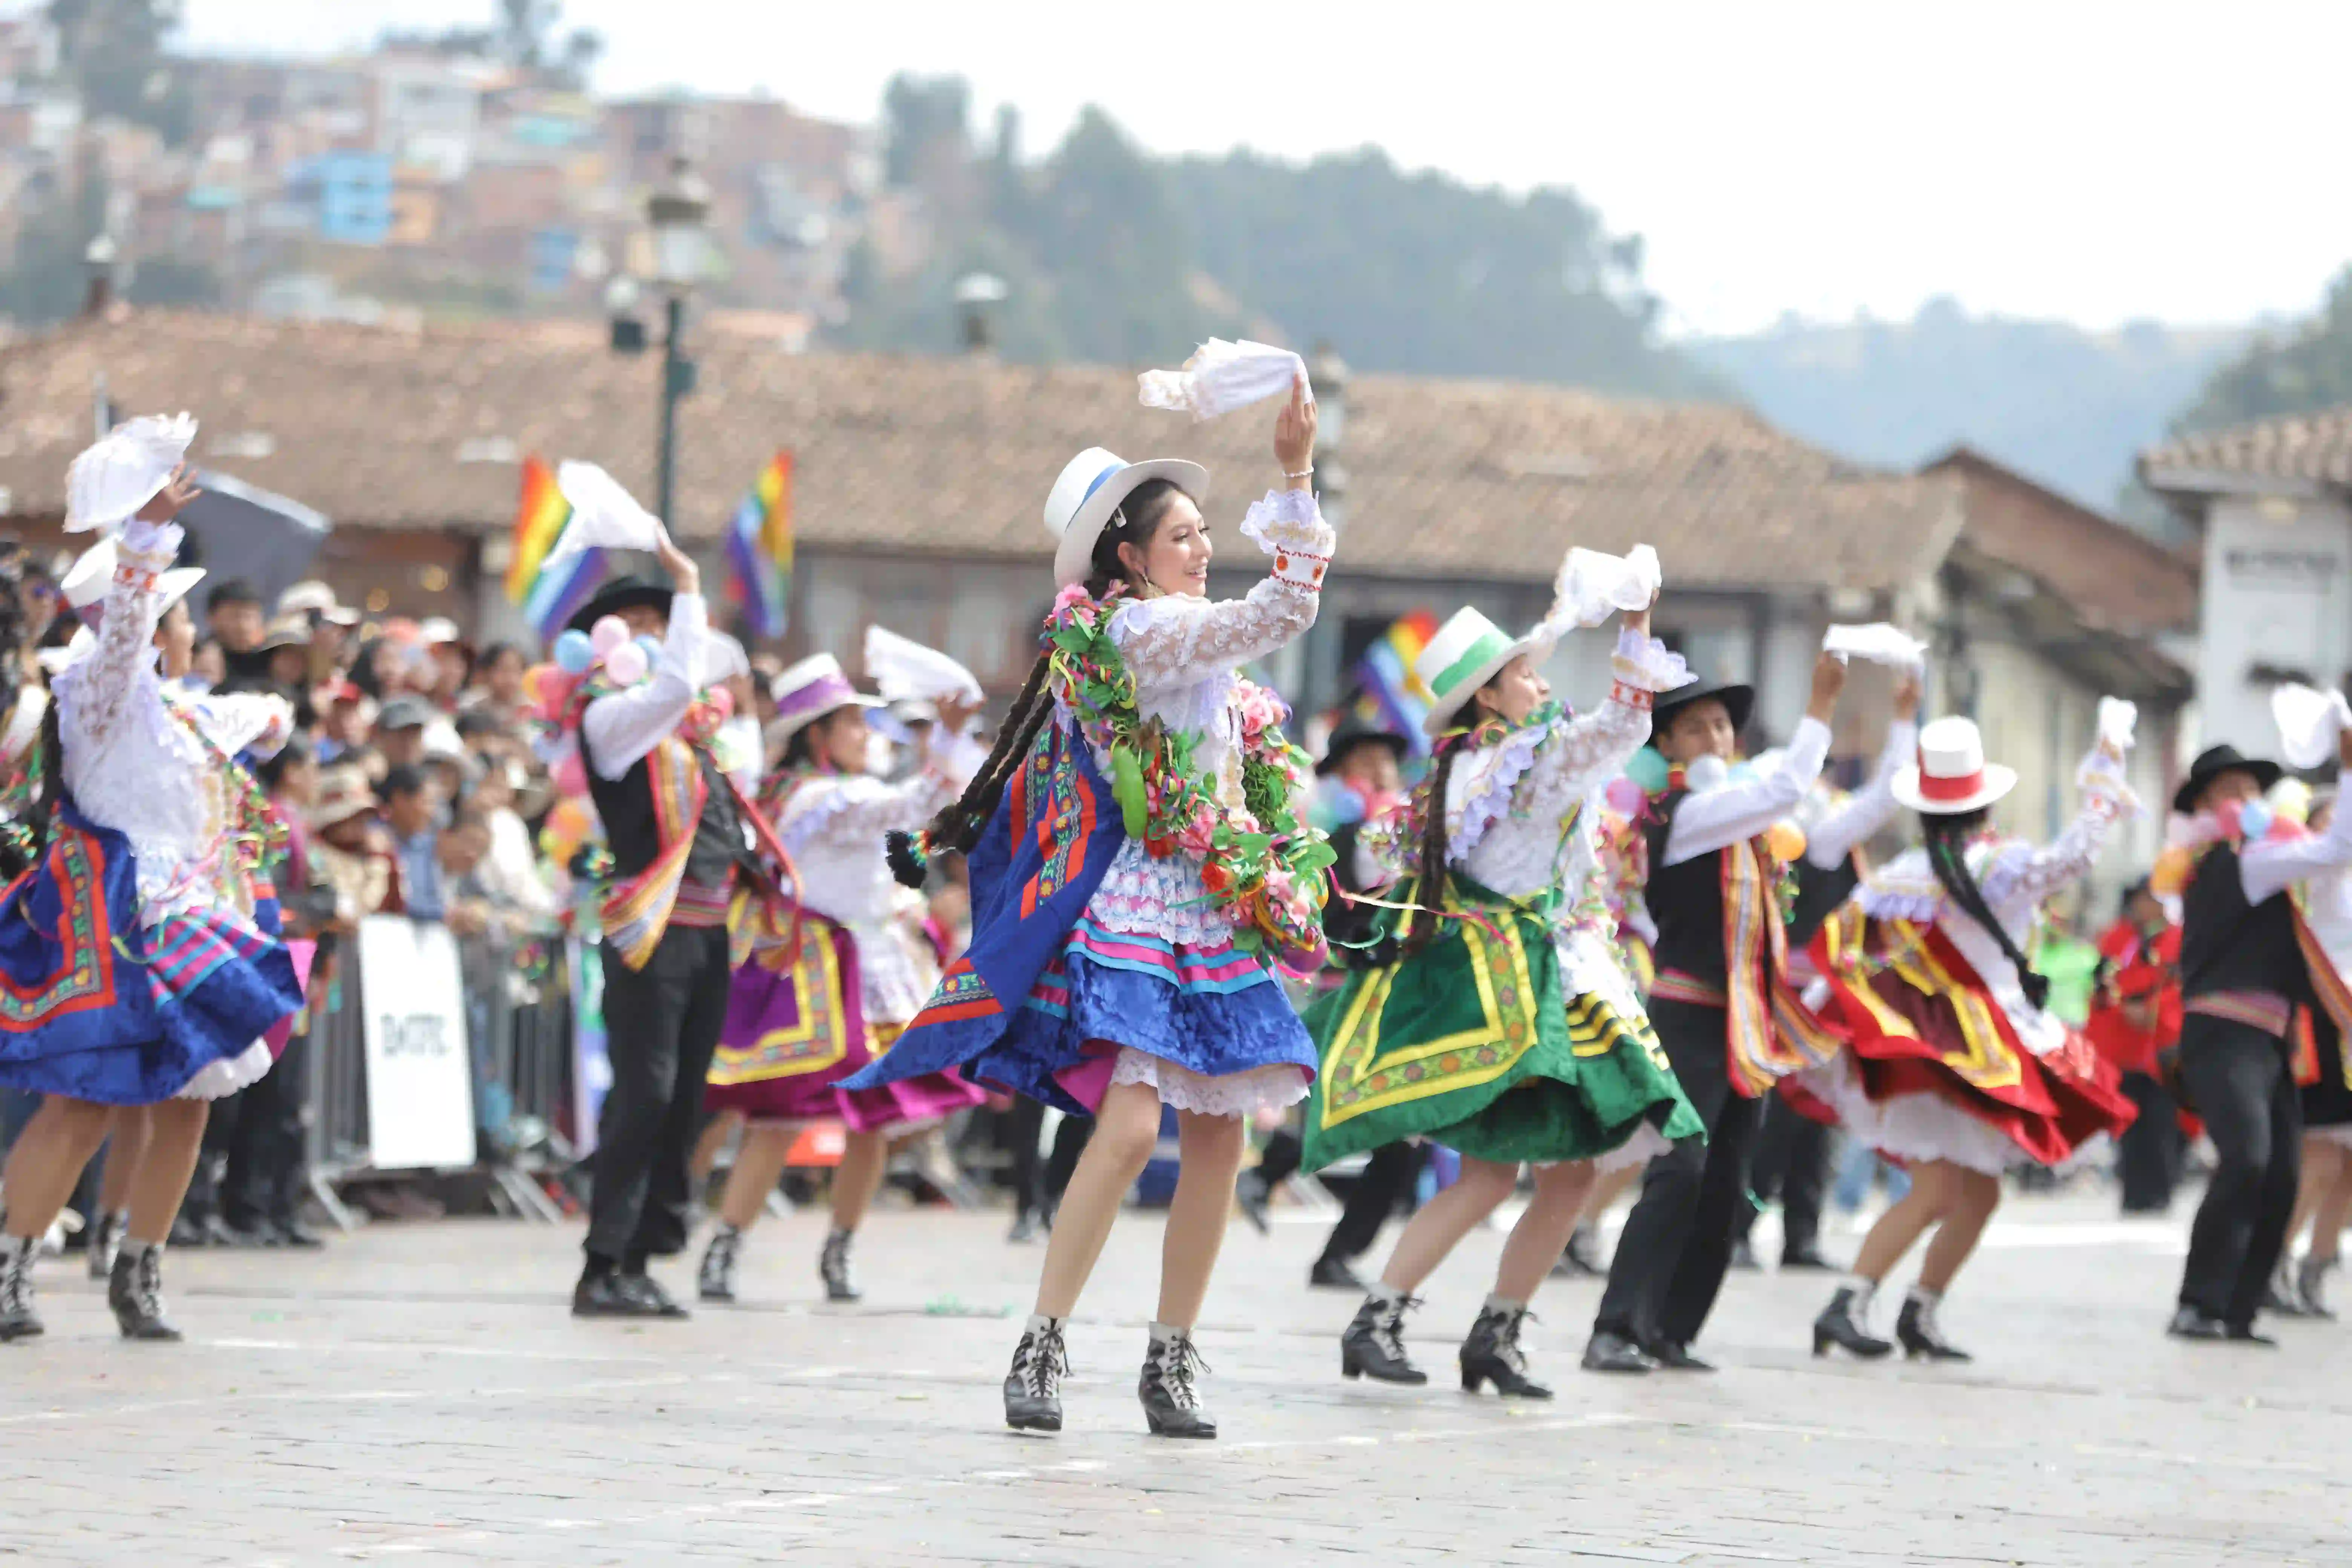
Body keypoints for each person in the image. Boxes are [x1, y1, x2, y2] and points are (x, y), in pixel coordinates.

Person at [846, 381, 1330, 1438]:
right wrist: (1293, 476)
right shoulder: (1143, 635)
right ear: (1129, 559)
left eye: (1206, 534)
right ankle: (1044, 1339)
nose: (1203, 550)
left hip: (1211, 903)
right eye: (1184, 536)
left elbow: (1237, 731)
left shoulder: (1185, 645)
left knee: (1220, 1142)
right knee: (1128, 1126)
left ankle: (1171, 1355)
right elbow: (1283, 610)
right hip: (1141, 902)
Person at [1309, 586, 1702, 1398]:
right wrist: (1636, 625)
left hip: (1511, 973)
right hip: (1535, 979)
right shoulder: (1529, 755)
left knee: (1543, 1176)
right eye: (1527, 675)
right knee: (1531, 1174)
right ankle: (1413, 1321)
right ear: (1488, 694)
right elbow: (1627, 724)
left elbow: (1388, 858)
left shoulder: (1453, 771)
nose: (1545, 687)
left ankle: (1456, 1327)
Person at [0, 453, 303, 1342]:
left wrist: (280, 711)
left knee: (191, 1101)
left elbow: (260, 716)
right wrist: (144, 539)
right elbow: (125, 632)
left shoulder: (184, 714)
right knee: (83, 1099)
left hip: (189, 918)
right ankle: (13, 1267)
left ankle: (141, 1268)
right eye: (181, 613)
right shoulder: (100, 696)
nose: (188, 629)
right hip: (117, 922)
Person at [1801, 714, 2139, 1361]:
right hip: (1969, 1049)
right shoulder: (1997, 863)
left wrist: (1819, 1029)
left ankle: (1918, 1312)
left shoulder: (1901, 873)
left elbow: (1846, 954)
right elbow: (2074, 856)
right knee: (1938, 1190)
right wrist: (2103, 777)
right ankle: (1847, 1304)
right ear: (1984, 800)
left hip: (1933, 1045)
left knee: (1976, 1193)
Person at [1581, 653, 1850, 1375]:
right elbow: (1791, 782)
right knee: (1680, 1170)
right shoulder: (1689, 814)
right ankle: (1615, 1326)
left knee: (1728, 1185)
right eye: (1694, 728)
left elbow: (1841, 812)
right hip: (1691, 1016)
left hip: (1745, 1019)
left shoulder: (1742, 821)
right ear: (1665, 746)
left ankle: (1672, 1330)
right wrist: (1820, 702)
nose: (1713, 739)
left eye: (1722, 726)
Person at [695, 653, 989, 1305]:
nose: (867, 733)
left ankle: (838, 1249)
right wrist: (943, 740)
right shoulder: (820, 797)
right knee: (777, 1120)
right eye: (852, 722)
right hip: (817, 970)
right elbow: (915, 803)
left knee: (874, 1122)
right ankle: (726, 1246)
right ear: (816, 736)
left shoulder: (819, 793)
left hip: (870, 965)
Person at [564, 534, 792, 1321]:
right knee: (645, 1092)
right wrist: (692, 585)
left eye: (662, 620)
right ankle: (602, 1259)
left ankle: (641, 1255)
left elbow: (745, 788)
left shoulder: (694, 736)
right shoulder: (609, 721)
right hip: (649, 932)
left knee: (686, 1096)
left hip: (705, 932)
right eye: (638, 621)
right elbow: (670, 690)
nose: (655, 634)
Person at [1731, 677, 1924, 1272]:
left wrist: (1903, 720)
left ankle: (1800, 1238)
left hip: (1816, 996)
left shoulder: (1816, 840)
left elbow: (1882, 797)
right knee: (1777, 1121)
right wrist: (1901, 722)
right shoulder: (1794, 838)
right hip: (1782, 998)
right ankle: (1743, 1229)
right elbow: (1883, 797)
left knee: (1816, 1122)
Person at [2168, 741, 2352, 1342]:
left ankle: (2238, 1309)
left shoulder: (2264, 860)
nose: (2245, 800)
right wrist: (2347, 770)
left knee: (2282, 1174)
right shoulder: (2241, 859)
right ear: (2205, 806)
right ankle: (2197, 1301)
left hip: (2269, 1038)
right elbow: (2335, 848)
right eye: (2229, 791)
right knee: (2247, 1159)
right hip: (2222, 1031)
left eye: (2251, 790)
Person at [1233, 718, 1418, 1282]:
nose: (1380, 766)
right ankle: (1310, 1223)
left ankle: (1283, 1190)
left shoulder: (1393, 823)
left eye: (1385, 758)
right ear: (1342, 772)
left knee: (1394, 1138)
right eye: (1366, 758)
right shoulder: (1347, 829)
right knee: (1389, 1133)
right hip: (1352, 990)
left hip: (1390, 992)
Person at [2087, 878, 2186, 1214]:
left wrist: (2154, 1013)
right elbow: (2101, 982)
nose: (2144, 907)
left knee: (2162, 1121)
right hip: (2123, 1042)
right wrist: (2122, 1008)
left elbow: (2180, 983)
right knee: (2129, 1124)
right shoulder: (2118, 938)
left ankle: (2161, 1192)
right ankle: (2133, 1193)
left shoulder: (2176, 938)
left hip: (2161, 1042)